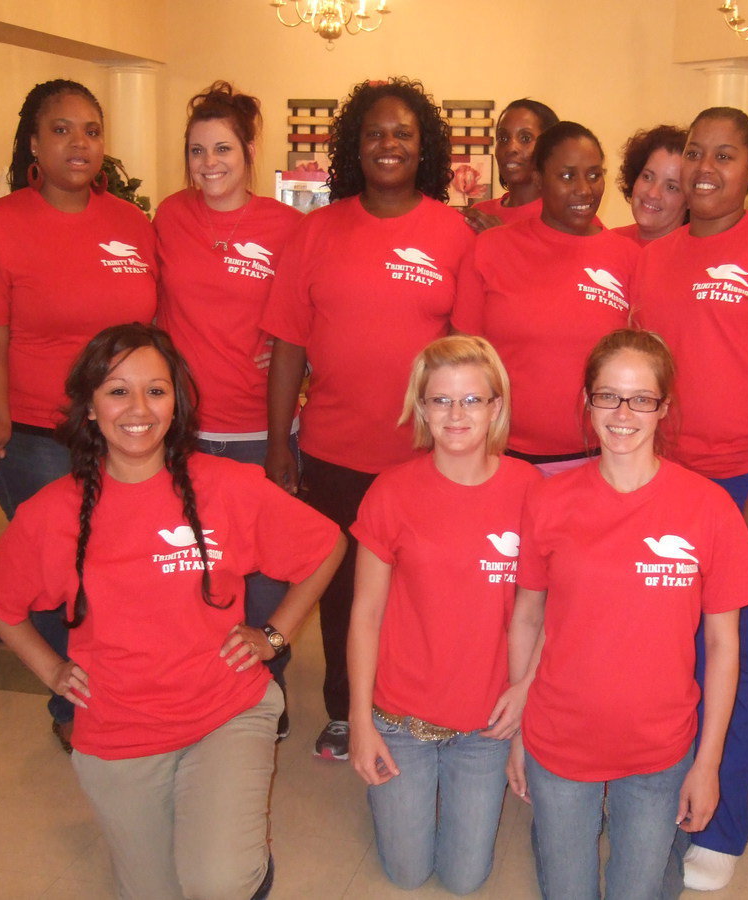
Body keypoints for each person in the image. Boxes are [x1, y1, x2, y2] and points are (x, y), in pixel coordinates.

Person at [0, 324, 345, 899]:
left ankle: (241, 862)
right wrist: (51, 671)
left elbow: (326, 545)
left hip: (226, 709)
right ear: (90, 407)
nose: (138, 409)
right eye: (118, 391)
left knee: (216, 883)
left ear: (177, 402)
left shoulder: (227, 486)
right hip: (119, 728)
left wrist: (275, 634)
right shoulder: (54, 511)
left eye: (157, 390)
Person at [631, 106, 748, 891]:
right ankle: (666, 796)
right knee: (670, 656)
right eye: (695, 152)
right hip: (673, 485)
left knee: (736, 657)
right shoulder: (654, 257)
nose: (705, 168)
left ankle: (721, 824)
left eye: (725, 155)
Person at [506, 329, 748, 900]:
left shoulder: (708, 507)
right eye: (607, 396)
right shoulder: (548, 499)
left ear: (664, 408)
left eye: (641, 398)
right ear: (586, 401)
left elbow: (727, 649)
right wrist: (516, 734)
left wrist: (708, 765)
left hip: (659, 747)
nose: (623, 413)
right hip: (559, 736)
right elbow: (528, 618)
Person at [261, 76, 474, 761]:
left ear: (425, 148)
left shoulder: (452, 233)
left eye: (403, 134)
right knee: (342, 586)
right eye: (376, 133)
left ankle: (415, 703)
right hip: (333, 448)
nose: (389, 144)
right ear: (355, 146)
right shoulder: (316, 230)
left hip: (426, 454)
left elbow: (470, 352)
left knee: (423, 590)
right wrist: (278, 444)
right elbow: (289, 342)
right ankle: (344, 709)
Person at [0, 78, 157, 750]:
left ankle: (115, 694)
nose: (79, 142)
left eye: (92, 130)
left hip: (122, 433)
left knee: (116, 570)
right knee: (60, 575)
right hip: (37, 432)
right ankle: (73, 704)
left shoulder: (131, 224)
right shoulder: (0, 224)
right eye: (62, 129)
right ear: (35, 142)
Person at [347, 335, 541, 894]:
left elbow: (548, 609)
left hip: (486, 723)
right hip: (401, 719)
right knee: (407, 873)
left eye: (472, 400)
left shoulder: (531, 490)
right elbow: (365, 613)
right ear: (421, 408)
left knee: (463, 879)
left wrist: (526, 691)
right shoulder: (390, 492)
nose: (456, 415)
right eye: (440, 400)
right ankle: (398, 800)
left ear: (496, 407)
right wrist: (361, 721)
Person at [154, 81, 304, 736]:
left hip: (260, 431)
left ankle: (265, 691)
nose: (208, 163)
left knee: (268, 575)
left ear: (248, 153)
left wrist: (305, 360)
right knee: (197, 574)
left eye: (222, 149)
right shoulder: (169, 217)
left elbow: (315, 315)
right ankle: (205, 693)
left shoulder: (285, 226)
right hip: (184, 431)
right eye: (196, 150)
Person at [454, 121, 639, 475]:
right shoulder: (491, 249)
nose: (584, 190)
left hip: (603, 459)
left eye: (594, 174)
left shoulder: (628, 258)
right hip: (503, 458)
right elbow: (464, 362)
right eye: (567, 176)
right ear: (538, 179)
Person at [462, 98, 559, 233]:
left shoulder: (562, 218)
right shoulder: (480, 214)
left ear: (550, 148)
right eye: (503, 138)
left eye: (525, 138)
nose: (511, 148)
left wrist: (503, 239)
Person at [614, 125, 690, 245]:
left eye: (671, 187)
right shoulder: (608, 243)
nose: (653, 193)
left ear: (690, 200)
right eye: (647, 177)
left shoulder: (696, 255)